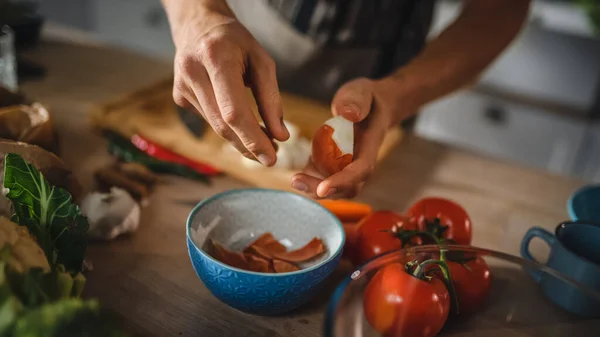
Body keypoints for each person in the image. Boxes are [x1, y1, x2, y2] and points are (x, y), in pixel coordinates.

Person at [160, 0, 531, 199]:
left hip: (399, 78)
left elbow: (501, 8)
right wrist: (198, 15)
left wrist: (397, 96)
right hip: (249, 37)